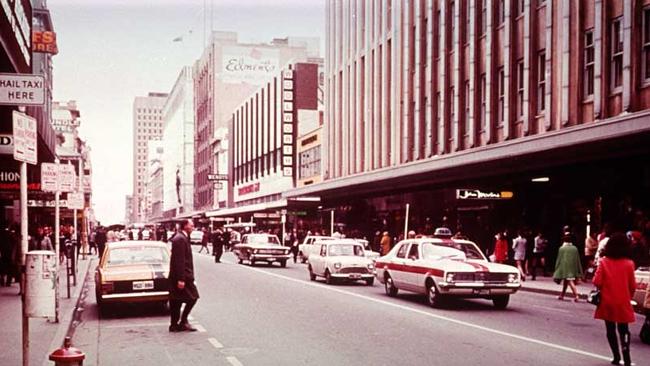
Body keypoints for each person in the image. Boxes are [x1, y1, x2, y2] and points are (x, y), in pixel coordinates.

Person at [593, 232, 636, 366]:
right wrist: (628, 296)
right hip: (623, 301)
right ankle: (626, 355)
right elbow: (632, 286)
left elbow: (597, 281)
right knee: (624, 330)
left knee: (610, 329)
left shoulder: (604, 262)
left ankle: (616, 357)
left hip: (607, 301)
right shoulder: (629, 264)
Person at [169, 219, 199, 332]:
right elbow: (179, 260)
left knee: (176, 300)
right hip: (182, 276)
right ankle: (182, 321)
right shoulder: (180, 239)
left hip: (181, 275)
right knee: (193, 297)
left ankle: (175, 324)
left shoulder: (182, 237)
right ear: (185, 226)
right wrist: (181, 279)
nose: (193, 227)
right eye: (191, 225)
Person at [553, 233, 583, 302]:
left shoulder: (561, 249)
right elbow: (577, 259)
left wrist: (556, 268)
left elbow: (559, 259)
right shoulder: (575, 248)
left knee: (570, 281)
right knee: (566, 282)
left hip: (565, 268)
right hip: (572, 268)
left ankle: (576, 295)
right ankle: (562, 295)